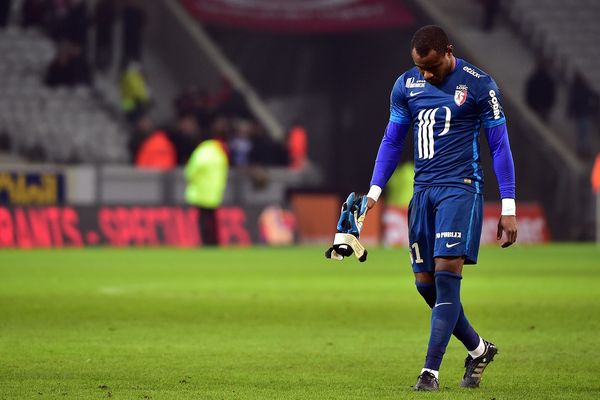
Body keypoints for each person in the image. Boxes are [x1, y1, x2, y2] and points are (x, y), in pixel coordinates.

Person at [364, 25, 517, 391]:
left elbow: (499, 146)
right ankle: (479, 349)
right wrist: (373, 193)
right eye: (421, 68)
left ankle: (429, 372)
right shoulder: (405, 85)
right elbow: (391, 140)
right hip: (423, 194)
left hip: (460, 191)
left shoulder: (480, 85)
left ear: (448, 50)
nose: (427, 75)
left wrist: (508, 205)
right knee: (425, 286)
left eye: (432, 67)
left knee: (447, 281)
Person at [184, 121, 229, 246]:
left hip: (202, 192)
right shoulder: (218, 153)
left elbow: (190, 171)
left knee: (205, 220)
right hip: (211, 192)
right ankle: (212, 243)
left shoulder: (204, 151)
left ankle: (208, 243)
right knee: (210, 220)